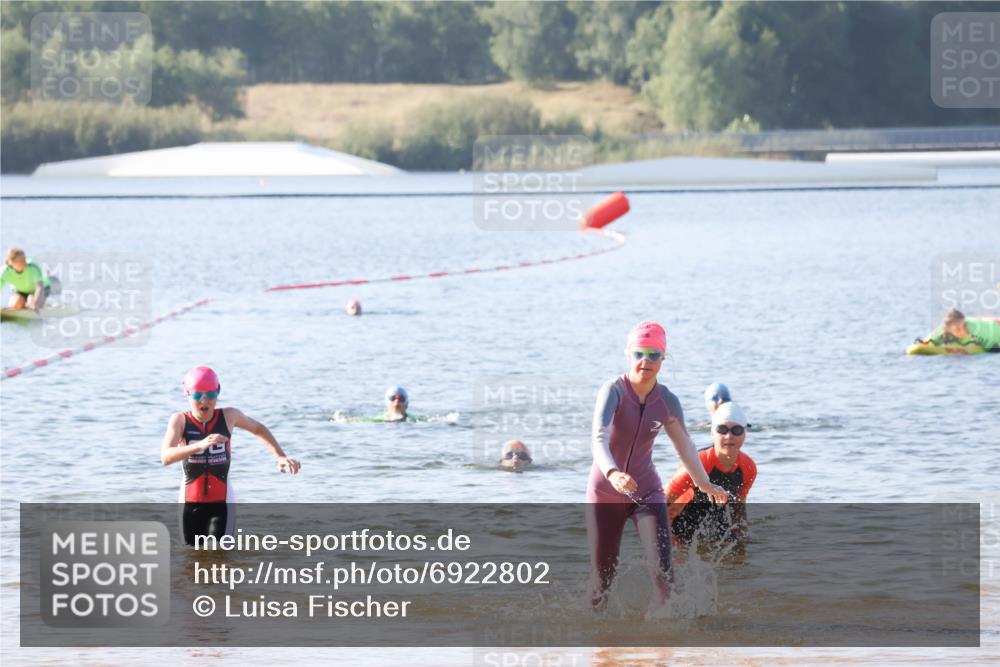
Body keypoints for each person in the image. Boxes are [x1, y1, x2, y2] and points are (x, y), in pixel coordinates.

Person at [587, 321, 728, 610]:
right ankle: (597, 648)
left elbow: (685, 446)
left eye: (654, 355)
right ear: (629, 354)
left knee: (665, 576)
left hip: (646, 492)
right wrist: (613, 473)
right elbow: (598, 437)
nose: (646, 362)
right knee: (603, 580)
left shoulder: (666, 401)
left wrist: (703, 482)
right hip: (605, 492)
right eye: (640, 353)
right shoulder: (613, 390)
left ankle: (664, 648)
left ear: (663, 359)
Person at [160, 366, 301, 546]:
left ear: (218, 391)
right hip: (189, 503)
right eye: (197, 395)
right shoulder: (180, 420)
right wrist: (199, 446)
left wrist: (280, 456)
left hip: (222, 504)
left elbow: (258, 428)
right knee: (191, 559)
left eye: (210, 394)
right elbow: (166, 456)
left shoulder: (229, 416)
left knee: (220, 556)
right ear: (187, 394)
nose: (204, 400)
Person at [667, 401, 756, 545]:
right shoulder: (694, 466)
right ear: (712, 432)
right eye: (722, 429)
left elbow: (738, 508)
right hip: (678, 529)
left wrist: (742, 539)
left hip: (715, 530)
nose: (729, 436)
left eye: (737, 430)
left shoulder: (748, 467)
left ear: (745, 433)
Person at [925, 308, 1000, 351]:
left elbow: (995, 348)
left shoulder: (978, 332)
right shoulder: (942, 331)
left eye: (964, 326)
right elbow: (921, 345)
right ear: (948, 330)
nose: (963, 331)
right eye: (957, 329)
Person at [1, 247, 51, 311]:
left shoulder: (32, 268)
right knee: (15, 305)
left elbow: (40, 287)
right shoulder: (4, 272)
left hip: (42, 288)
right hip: (21, 290)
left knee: (31, 303)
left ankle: (47, 276)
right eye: (21, 260)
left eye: (24, 259)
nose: (24, 262)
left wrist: (34, 304)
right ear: (11, 263)